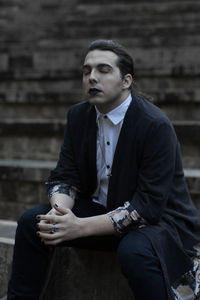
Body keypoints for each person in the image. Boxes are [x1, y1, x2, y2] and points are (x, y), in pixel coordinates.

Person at [7, 40, 200, 300]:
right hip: (102, 212)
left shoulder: (154, 125)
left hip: (160, 223)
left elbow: (147, 207)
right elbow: (65, 176)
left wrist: (79, 227)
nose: (92, 77)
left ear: (126, 81)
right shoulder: (78, 116)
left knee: (134, 251)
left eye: (103, 70)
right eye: (87, 71)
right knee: (34, 223)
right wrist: (60, 213)